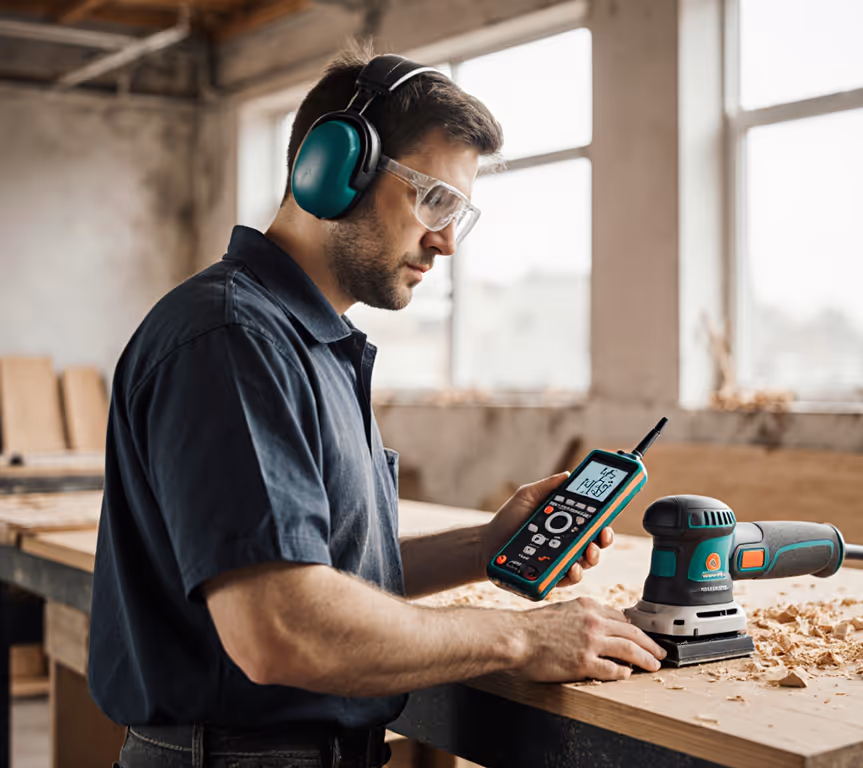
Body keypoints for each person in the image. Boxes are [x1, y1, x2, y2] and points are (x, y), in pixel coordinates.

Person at [88, 46, 665, 768]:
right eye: (434, 199)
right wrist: (522, 636)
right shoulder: (235, 341)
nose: (446, 241)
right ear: (331, 169)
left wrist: (483, 549)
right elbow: (279, 629)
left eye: (459, 213)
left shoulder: (307, 341)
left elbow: (319, 574)